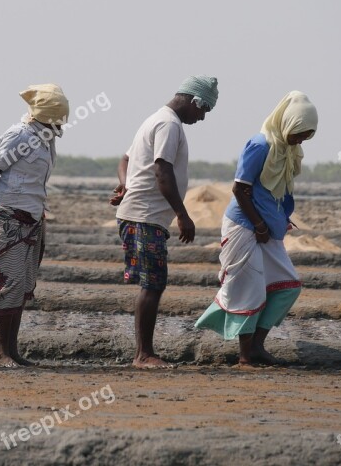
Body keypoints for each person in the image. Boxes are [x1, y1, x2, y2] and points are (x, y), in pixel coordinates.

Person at [195, 91, 318, 366]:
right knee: (250, 287)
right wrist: (259, 223)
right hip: (244, 224)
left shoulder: (288, 150)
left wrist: (279, 219)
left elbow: (279, 190)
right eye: (299, 133)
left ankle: (257, 346)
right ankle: (245, 354)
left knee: (288, 285)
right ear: (287, 123)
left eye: (307, 136)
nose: (301, 140)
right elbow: (240, 188)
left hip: (267, 228)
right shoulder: (260, 145)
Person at [110, 76, 218, 369]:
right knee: (153, 283)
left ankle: (143, 353)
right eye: (204, 110)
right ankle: (143, 355)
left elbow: (125, 160)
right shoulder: (169, 124)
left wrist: (125, 185)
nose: (203, 117)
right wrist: (182, 215)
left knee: (153, 282)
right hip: (144, 217)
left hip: (143, 215)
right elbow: (162, 171)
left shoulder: (156, 119)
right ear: (195, 101)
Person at [0, 84, 69, 368]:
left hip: (32, 217)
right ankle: (2, 354)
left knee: (22, 285)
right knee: (7, 283)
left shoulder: (46, 137)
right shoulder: (19, 136)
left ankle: (13, 351)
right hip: (6, 216)